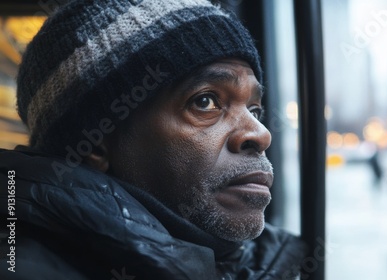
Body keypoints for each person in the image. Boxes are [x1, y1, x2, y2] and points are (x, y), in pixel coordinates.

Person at [0, 0, 306, 279]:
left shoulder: (260, 263)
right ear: (95, 143)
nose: (260, 134)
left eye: (254, 109)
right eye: (205, 102)